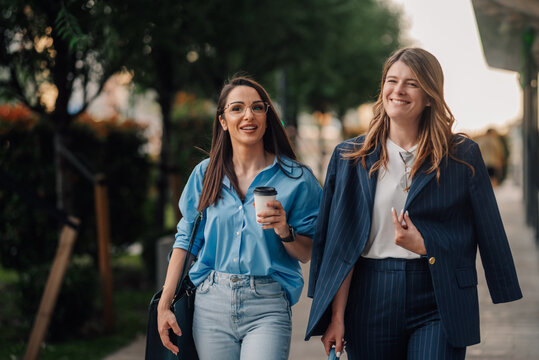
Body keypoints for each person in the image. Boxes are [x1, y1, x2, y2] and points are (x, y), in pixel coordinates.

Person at [306, 48, 522, 360]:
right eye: (391, 81)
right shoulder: (349, 157)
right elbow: (339, 245)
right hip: (369, 295)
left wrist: (426, 244)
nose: (398, 90)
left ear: (430, 96)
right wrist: (335, 317)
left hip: (437, 293)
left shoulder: (461, 155)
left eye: (412, 83)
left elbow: (485, 229)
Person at [158, 76, 322, 360]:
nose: (249, 115)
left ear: (267, 117)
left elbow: (307, 252)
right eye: (237, 108)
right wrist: (165, 302)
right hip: (211, 303)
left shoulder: (297, 178)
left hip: (267, 305)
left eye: (258, 107)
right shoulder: (204, 174)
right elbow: (185, 241)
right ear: (223, 121)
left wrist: (285, 230)